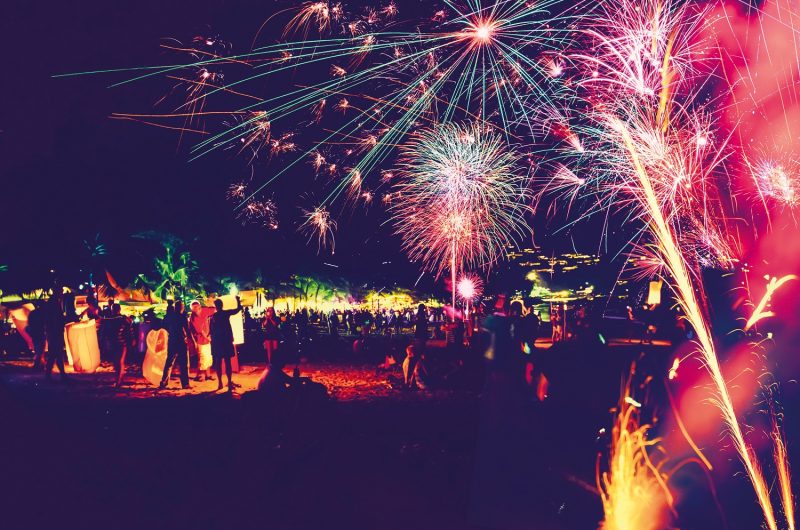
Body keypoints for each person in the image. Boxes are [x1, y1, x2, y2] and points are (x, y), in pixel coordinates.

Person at [210, 296, 242, 392]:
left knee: (218, 362)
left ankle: (220, 382)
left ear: (216, 306)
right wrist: (238, 300)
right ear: (222, 305)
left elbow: (212, 331)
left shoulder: (214, 317)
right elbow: (238, 309)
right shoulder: (225, 313)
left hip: (218, 342)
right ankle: (228, 382)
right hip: (226, 341)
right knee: (227, 362)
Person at [160, 300, 192, 390]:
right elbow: (188, 330)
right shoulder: (182, 317)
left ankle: (164, 382)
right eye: (182, 306)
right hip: (181, 341)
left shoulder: (169, 317)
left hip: (172, 341)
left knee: (169, 362)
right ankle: (185, 384)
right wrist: (192, 341)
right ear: (181, 308)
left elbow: (163, 327)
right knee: (183, 364)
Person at [103, 303, 132, 387]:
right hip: (114, 343)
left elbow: (130, 329)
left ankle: (118, 381)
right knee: (117, 363)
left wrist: (132, 339)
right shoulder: (110, 319)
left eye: (114, 309)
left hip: (121, 343)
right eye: (113, 309)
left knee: (119, 362)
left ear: (118, 309)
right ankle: (119, 378)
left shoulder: (123, 319)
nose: (114, 311)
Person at [43, 288, 68, 381]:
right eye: (61, 291)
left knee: (56, 353)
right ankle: (51, 374)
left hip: (54, 332)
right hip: (54, 332)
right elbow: (55, 319)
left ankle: (60, 374)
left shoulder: (54, 302)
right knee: (55, 353)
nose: (62, 293)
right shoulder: (53, 303)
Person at [189, 301, 214, 382]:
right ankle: (201, 376)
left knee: (208, 357)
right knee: (202, 358)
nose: (197, 309)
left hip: (206, 339)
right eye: (194, 308)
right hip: (200, 341)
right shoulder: (193, 318)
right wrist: (208, 338)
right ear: (192, 309)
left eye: (198, 307)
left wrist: (211, 303)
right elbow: (200, 331)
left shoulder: (204, 310)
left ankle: (208, 375)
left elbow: (214, 309)